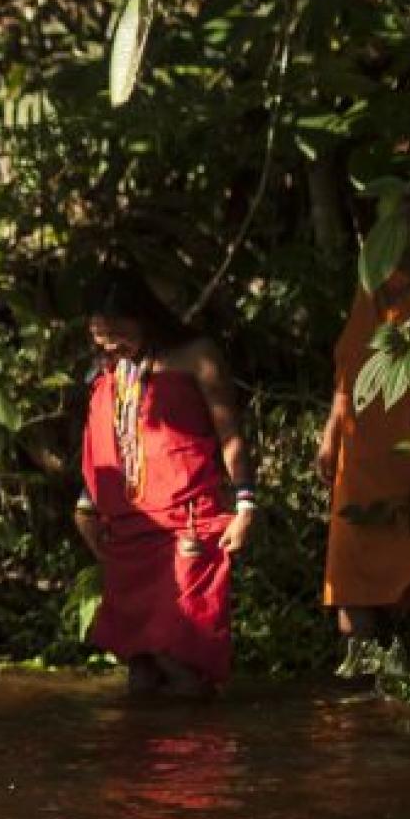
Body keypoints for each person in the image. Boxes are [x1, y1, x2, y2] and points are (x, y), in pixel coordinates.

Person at [73, 271, 254, 697]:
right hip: (128, 528)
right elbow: (106, 443)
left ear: (146, 318)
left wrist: (246, 504)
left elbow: (230, 434)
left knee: (182, 659)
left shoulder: (196, 355)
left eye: (118, 333)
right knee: (140, 673)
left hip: (187, 523)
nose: (110, 345)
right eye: (101, 337)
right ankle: (140, 762)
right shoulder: (109, 371)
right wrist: (86, 506)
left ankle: (202, 759)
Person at [317, 207, 410, 656]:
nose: (405, 223)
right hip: (363, 442)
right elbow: (350, 360)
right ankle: (360, 668)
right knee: (350, 560)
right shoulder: (372, 277)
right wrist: (332, 430)